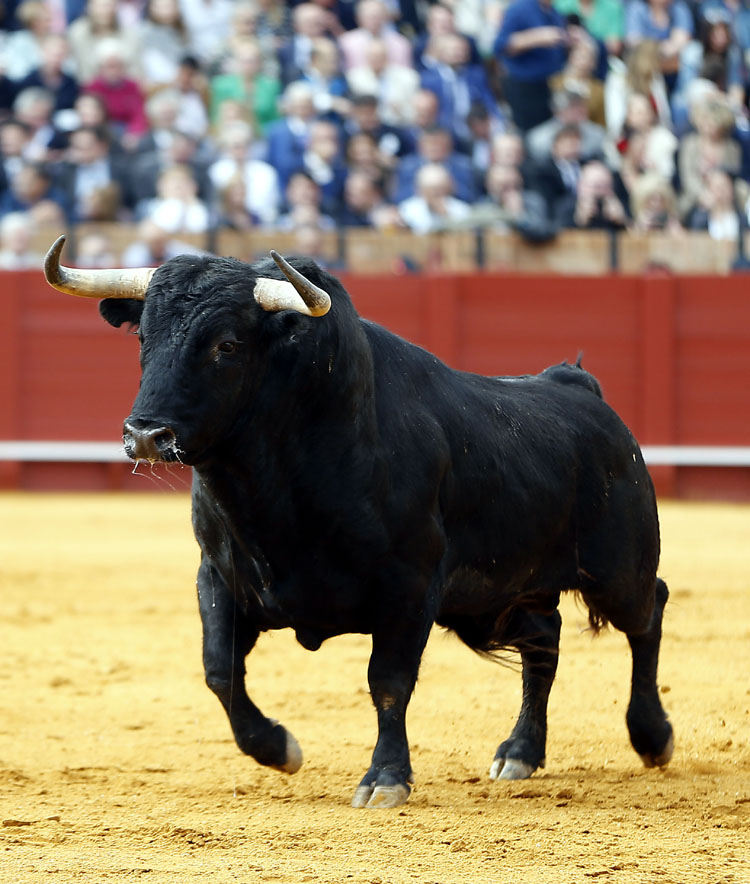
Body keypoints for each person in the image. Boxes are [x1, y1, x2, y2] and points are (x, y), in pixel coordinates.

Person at [493, 0, 574, 131]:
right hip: (525, 86)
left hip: (551, 83)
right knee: (531, 133)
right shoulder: (519, 9)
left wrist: (569, 38)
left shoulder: (554, 11)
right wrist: (535, 37)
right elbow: (500, 46)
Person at [207, 119, 281, 226]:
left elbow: (272, 206)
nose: (240, 151)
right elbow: (215, 205)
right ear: (227, 148)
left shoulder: (266, 173)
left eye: (244, 145)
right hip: (225, 225)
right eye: (236, 146)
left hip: (260, 226)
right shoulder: (216, 171)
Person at [346, 37, 420, 127]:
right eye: (372, 56)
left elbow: (416, 110)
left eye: (380, 56)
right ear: (366, 57)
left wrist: (401, 111)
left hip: (400, 125)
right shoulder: (354, 78)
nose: (376, 60)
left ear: (387, 56)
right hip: (367, 126)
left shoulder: (407, 77)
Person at [337, 0, 412, 72]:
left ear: (387, 17)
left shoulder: (400, 43)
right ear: (358, 18)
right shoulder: (346, 43)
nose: (374, 20)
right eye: (369, 16)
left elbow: (406, 73)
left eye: (378, 16)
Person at [397, 162, 471, 233]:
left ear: (448, 189)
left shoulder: (461, 210)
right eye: (429, 190)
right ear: (420, 190)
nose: (434, 194)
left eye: (439, 190)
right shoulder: (406, 210)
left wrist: (445, 216)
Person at [555, 158, 627, 228]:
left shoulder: (619, 204)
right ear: (580, 186)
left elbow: (631, 229)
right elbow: (556, 231)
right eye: (596, 186)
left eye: (606, 186)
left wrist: (621, 221)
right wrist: (579, 221)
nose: (600, 192)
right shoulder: (566, 207)